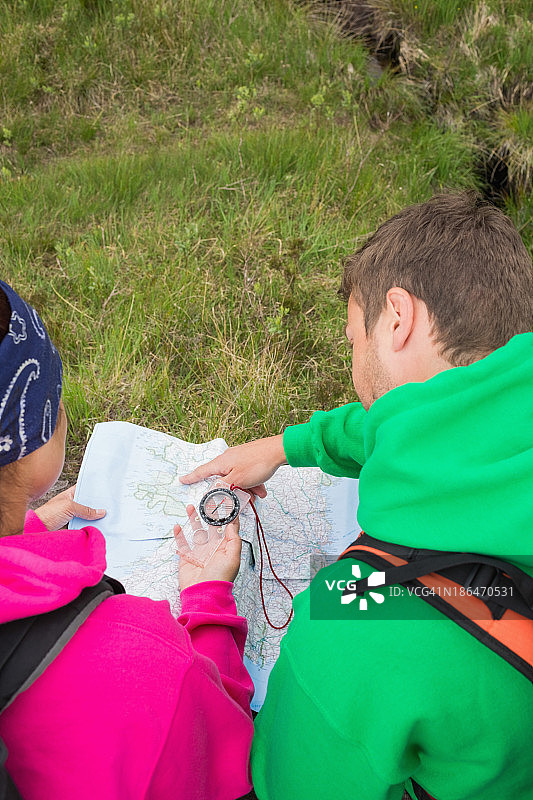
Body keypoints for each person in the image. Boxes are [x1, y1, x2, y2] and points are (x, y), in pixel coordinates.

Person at [181, 192, 533, 800]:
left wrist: (209, 603)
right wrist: (292, 445)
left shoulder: (351, 613)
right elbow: (417, 422)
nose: (353, 365)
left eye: (353, 341)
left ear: (398, 318)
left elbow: (283, 785)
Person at [0, 279, 254, 799]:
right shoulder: (146, 657)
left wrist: (23, 531)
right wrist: (208, 601)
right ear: (27, 449)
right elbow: (225, 744)